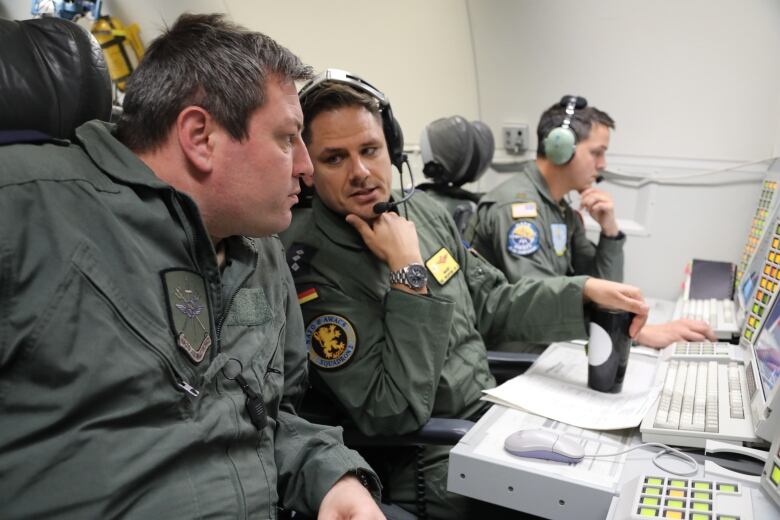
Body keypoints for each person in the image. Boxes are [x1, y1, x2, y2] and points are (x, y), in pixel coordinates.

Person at [0, 14, 384, 519]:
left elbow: (271, 418)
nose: (305, 168)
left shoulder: (262, 248)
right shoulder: (24, 208)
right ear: (200, 136)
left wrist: (333, 477)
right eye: (288, 139)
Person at [281, 70, 649, 519]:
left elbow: (490, 302)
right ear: (308, 166)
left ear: (392, 150)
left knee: (628, 478)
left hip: (490, 419)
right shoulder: (309, 263)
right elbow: (390, 412)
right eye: (335, 158)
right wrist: (407, 273)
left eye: (370, 150)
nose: (360, 172)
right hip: (429, 455)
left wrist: (584, 295)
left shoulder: (423, 212)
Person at [465, 97, 715, 349]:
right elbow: (533, 303)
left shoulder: (559, 209)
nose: (603, 164)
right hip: (516, 346)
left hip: (545, 337)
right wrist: (635, 333)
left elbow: (605, 288)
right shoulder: (516, 211)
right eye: (596, 152)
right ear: (559, 148)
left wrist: (610, 231)